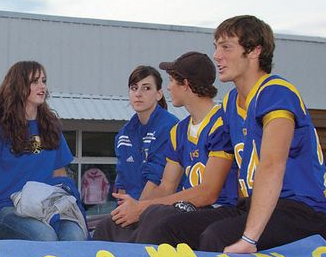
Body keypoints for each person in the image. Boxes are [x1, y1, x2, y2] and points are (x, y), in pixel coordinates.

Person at [147, 15, 326, 253]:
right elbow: (212, 157)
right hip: (251, 204)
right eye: (216, 47)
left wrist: (249, 239)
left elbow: (272, 165)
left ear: (254, 51)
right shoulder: (231, 103)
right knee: (168, 227)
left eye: (226, 47)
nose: (216, 55)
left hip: (300, 209)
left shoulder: (276, 92)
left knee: (217, 237)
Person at [93, 52, 238, 242]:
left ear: (186, 84)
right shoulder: (179, 130)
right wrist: (134, 207)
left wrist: (143, 208)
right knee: (108, 226)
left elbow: (208, 193)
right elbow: (167, 187)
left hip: (221, 208)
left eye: (171, 81)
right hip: (189, 208)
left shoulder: (222, 123)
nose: (168, 87)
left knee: (158, 222)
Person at [0, 61, 87, 241]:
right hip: (7, 208)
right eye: (34, 81)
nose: (42, 86)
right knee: (44, 236)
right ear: (18, 85)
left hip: (48, 207)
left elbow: (59, 175)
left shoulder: (51, 125)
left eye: (44, 81)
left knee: (76, 236)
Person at [113, 65, 179, 201]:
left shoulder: (170, 127)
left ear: (159, 94)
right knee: (105, 223)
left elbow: (156, 180)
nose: (138, 94)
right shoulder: (123, 134)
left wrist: (136, 210)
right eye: (134, 88)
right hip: (131, 208)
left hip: (162, 208)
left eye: (146, 88)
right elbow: (122, 182)